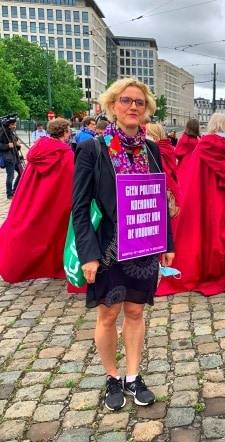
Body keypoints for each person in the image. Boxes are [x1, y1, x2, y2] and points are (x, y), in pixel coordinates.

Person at [72, 78, 175, 411]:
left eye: (139, 103)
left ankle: (133, 375)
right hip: (106, 247)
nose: (133, 107)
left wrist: (167, 241)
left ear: (146, 110)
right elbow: (79, 206)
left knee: (135, 310)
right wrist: (88, 254)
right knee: (108, 314)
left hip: (143, 245)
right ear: (112, 105)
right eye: (126, 101)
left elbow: (159, 198)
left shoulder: (151, 148)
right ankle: (112, 377)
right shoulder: (93, 148)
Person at [157, 113, 225, 296]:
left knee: (204, 235)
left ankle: (202, 271)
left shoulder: (203, 146)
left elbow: (193, 177)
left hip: (207, 201)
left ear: (212, 125)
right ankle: (220, 273)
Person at [0, 118, 74, 283]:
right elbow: (71, 178)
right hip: (56, 202)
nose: (70, 133)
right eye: (69, 130)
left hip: (35, 199)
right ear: (64, 132)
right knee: (56, 234)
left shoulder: (37, 149)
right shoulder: (65, 152)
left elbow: (28, 178)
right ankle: (54, 266)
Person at [146, 122, 181, 227]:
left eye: (146, 133)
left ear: (154, 136)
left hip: (160, 199)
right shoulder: (167, 149)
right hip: (173, 194)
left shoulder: (156, 153)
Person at [0, 117, 23, 199]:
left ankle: (15, 190)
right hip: (8, 158)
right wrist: (7, 146)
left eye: (15, 124)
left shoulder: (12, 133)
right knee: (11, 176)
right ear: (9, 125)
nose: (15, 126)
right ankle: (9, 194)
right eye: (13, 124)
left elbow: (15, 145)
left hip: (15, 156)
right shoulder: (2, 132)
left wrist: (18, 145)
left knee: (22, 173)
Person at [175, 119, 200, 188]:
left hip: (183, 168)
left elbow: (177, 153)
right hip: (195, 169)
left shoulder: (184, 140)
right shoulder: (199, 141)